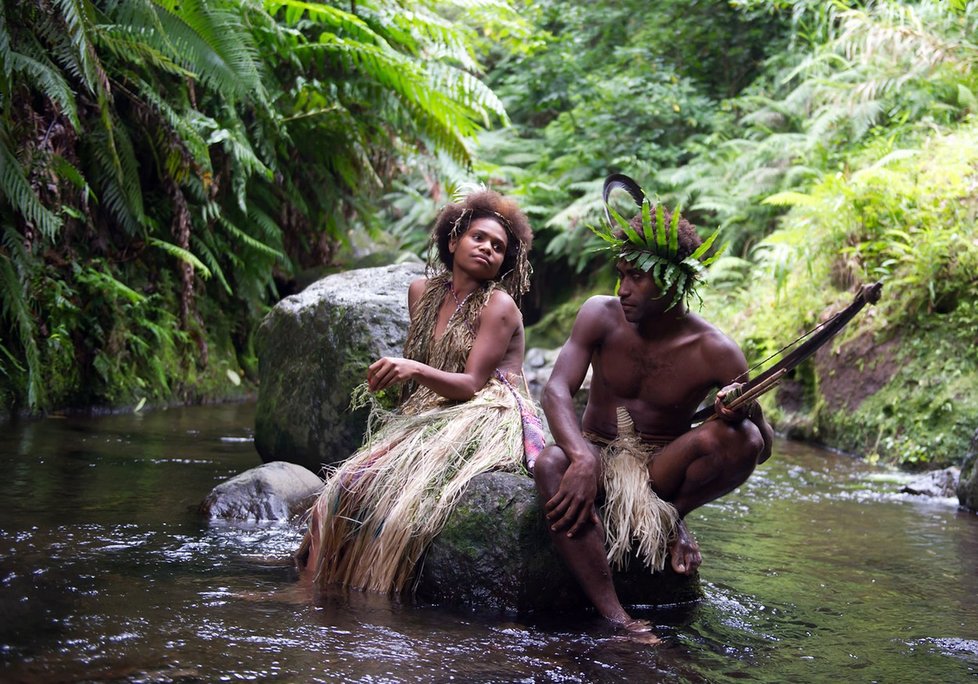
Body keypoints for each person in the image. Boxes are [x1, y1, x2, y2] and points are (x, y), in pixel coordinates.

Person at [533, 196, 773, 636]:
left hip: (662, 472)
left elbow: (763, 446)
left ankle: (670, 518)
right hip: (600, 454)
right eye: (621, 275)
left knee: (742, 438)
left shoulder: (715, 350)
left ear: (671, 282)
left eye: (636, 277)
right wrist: (582, 459)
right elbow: (556, 390)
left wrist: (740, 407)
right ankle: (616, 616)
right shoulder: (599, 314)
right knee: (551, 462)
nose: (622, 288)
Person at [297, 189, 542, 595]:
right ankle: (312, 585)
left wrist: (411, 368)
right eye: (478, 237)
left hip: (486, 409)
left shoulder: (499, 306)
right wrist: (395, 385)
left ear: (504, 263)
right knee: (344, 485)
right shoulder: (422, 292)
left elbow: (469, 385)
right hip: (438, 404)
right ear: (453, 241)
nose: (487, 249)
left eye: (498, 247)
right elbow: (429, 363)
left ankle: (361, 586)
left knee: (396, 492)